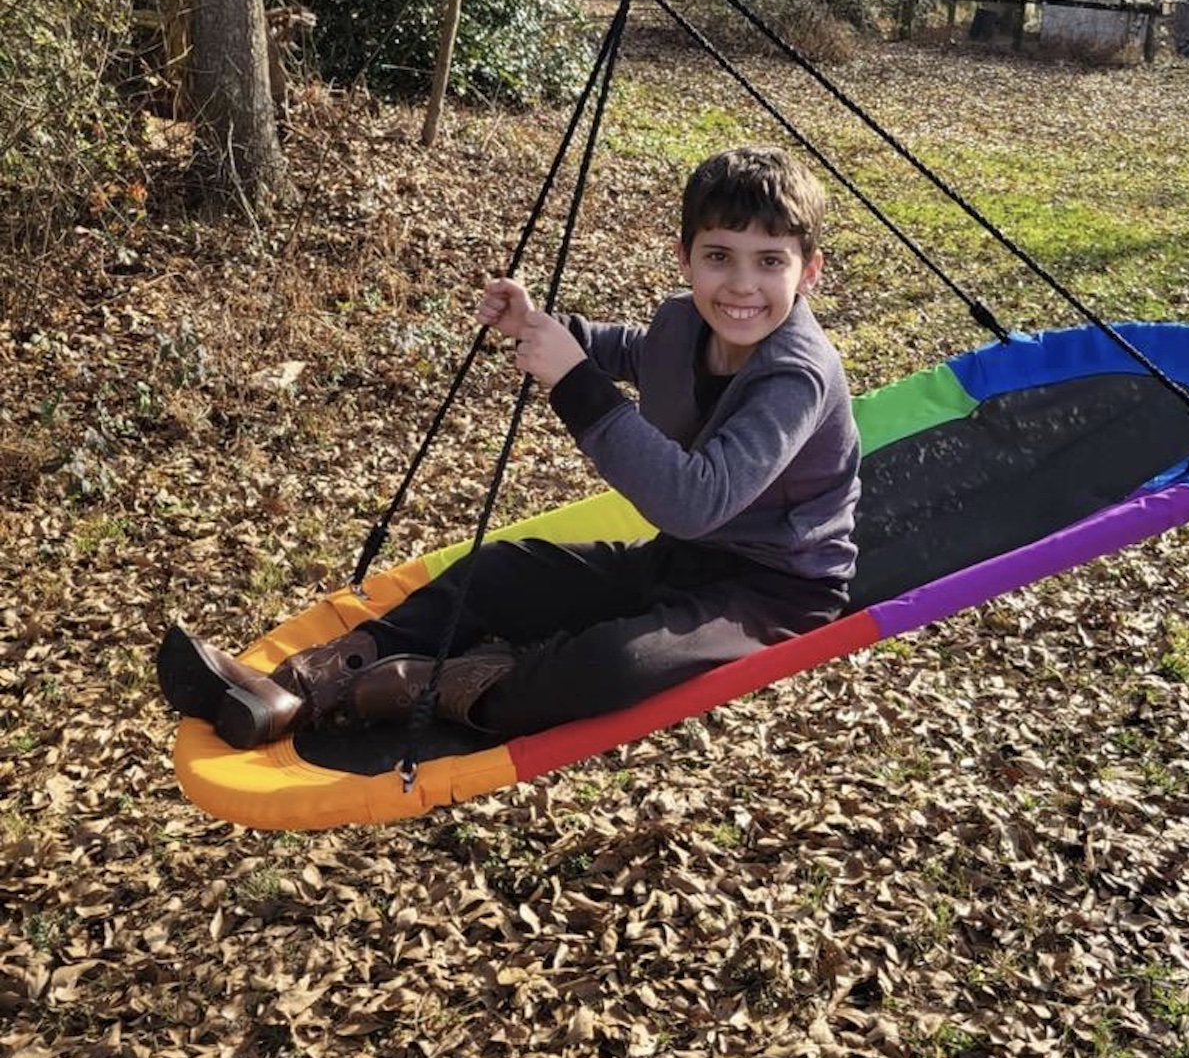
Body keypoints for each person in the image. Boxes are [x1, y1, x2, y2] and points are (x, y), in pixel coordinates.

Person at [158, 145, 861, 749]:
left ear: (810, 271)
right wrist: (545, 327)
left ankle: (402, 691)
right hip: (679, 563)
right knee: (497, 571)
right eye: (719, 257)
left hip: (774, 593)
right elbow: (639, 353)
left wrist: (573, 382)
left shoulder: (795, 374)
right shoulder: (685, 323)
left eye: (770, 261)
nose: (741, 286)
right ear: (684, 259)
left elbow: (692, 501)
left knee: (614, 666)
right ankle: (304, 681)